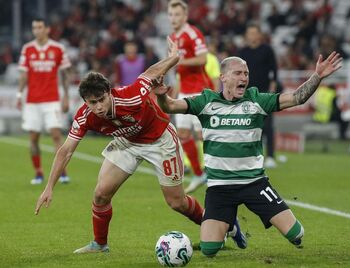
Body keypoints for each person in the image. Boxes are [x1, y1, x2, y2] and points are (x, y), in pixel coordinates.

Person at [33, 39, 243, 254]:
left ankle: (222, 226)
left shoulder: (131, 97)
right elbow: (66, 150)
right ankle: (100, 244)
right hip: (128, 143)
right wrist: (49, 186)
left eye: (101, 100)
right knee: (100, 194)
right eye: (91, 103)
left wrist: (174, 58)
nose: (98, 107)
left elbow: (151, 73)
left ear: (109, 92)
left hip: (160, 140)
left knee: (176, 202)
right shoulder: (85, 116)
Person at [155, 52, 342, 257]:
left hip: (254, 183)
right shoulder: (206, 101)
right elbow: (170, 106)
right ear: (223, 77)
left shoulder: (257, 100)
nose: (244, 77)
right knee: (209, 250)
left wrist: (317, 76)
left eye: (246, 73)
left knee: (296, 234)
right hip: (220, 188)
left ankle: (236, 222)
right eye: (238, 73)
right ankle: (232, 227)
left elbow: (297, 97)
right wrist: (162, 95)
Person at [17, 18, 71, 185]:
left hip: (52, 100)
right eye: (34, 28)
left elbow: (65, 74)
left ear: (47, 29)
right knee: (33, 138)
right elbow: (24, 75)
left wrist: (66, 96)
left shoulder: (58, 48)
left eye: (40, 27)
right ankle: (39, 172)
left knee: (56, 135)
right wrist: (19, 95)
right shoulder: (28, 49)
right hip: (32, 101)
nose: (36, 30)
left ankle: (62, 172)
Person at [168, 0, 213, 193]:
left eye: (177, 14)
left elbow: (203, 58)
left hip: (199, 89)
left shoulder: (192, 33)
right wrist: (176, 91)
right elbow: (178, 70)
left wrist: (180, 59)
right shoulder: (171, 37)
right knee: (183, 134)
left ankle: (215, 172)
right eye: (171, 14)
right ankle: (198, 174)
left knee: (204, 134)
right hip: (184, 90)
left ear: (185, 16)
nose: (173, 18)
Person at [238, 23, 279, 168]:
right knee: (249, 125)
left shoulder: (267, 50)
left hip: (264, 93)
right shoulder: (242, 52)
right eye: (249, 33)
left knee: (267, 125)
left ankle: (271, 156)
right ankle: (252, 156)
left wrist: (271, 91)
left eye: (254, 33)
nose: (252, 36)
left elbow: (274, 71)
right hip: (247, 94)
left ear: (259, 35)